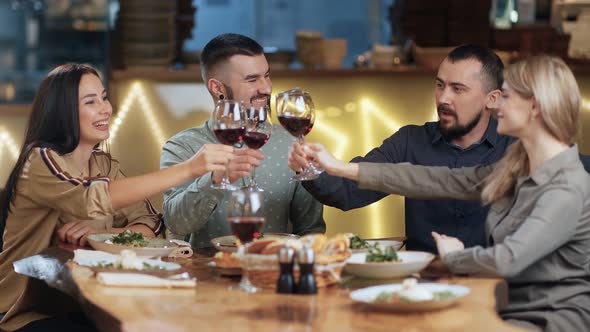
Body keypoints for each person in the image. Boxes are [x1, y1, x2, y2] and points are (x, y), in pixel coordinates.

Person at [295, 55, 590, 331]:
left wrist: (456, 257)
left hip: (548, 319)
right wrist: (339, 168)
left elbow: (507, 259)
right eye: (440, 85)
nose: (498, 105)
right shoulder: (519, 166)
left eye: (508, 96)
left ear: (535, 107)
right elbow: (439, 180)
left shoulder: (566, 187)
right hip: (501, 306)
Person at [0, 64, 234, 331]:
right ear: (62, 112)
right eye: (91, 102)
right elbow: (92, 199)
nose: (105, 109)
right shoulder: (41, 159)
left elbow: (152, 223)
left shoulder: (104, 165)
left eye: (104, 97)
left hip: (81, 304)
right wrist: (189, 168)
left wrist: (106, 231)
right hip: (24, 312)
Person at [290, 45, 512, 253]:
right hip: (419, 283)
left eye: (458, 89)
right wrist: (309, 168)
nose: (443, 98)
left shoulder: (515, 150)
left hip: (492, 278)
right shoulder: (410, 140)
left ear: (492, 99)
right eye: (440, 85)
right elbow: (345, 192)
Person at [160, 33, 325, 248]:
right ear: (217, 88)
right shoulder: (181, 147)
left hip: (272, 272)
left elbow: (311, 232)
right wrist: (214, 180)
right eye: (252, 79)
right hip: (206, 274)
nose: (266, 88)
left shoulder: (291, 143)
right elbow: (176, 223)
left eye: (267, 75)